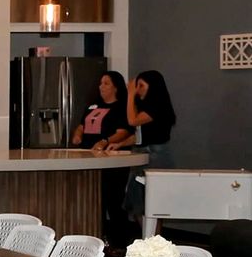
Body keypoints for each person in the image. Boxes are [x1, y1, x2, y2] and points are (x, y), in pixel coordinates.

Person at [76, 71, 136, 245]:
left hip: (112, 160)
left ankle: (119, 241)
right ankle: (97, 237)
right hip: (89, 157)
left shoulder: (121, 108)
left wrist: (105, 141)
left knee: (113, 199)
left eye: (106, 83)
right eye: (101, 83)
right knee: (94, 200)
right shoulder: (92, 106)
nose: (101, 87)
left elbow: (123, 132)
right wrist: (77, 135)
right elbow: (81, 125)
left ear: (116, 87)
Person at [122, 69, 177, 222]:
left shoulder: (157, 106)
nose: (137, 90)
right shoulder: (144, 107)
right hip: (141, 153)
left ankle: (153, 235)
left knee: (153, 203)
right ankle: (148, 234)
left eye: (141, 86)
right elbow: (139, 135)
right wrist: (120, 144)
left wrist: (130, 94)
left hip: (155, 156)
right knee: (137, 203)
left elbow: (132, 121)